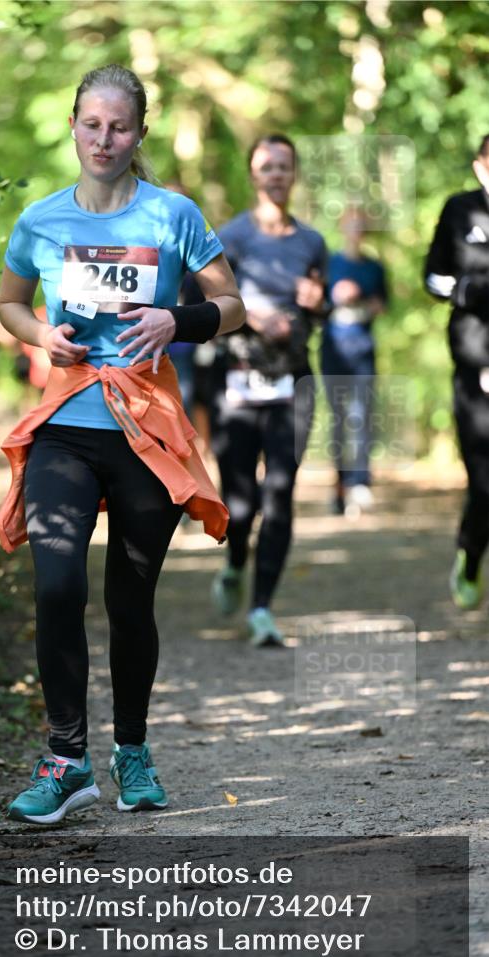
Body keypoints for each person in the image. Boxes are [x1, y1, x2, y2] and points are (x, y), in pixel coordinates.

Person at [0, 64, 245, 824]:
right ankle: (66, 760)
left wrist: (178, 319)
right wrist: (40, 333)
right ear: (72, 125)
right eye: (92, 124)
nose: (104, 139)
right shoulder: (40, 219)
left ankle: (131, 752)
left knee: (128, 600)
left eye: (120, 127)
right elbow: (7, 303)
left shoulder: (172, 214)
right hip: (65, 425)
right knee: (57, 586)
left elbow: (232, 305)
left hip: (144, 429)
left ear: (140, 134)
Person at [210, 135, 327, 646]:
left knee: (280, 492)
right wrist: (255, 317)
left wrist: (316, 302)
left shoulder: (312, 242)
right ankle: (236, 560)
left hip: (294, 378)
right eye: (267, 167)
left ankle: (261, 610)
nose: (276, 174)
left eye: (284, 166)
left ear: (294, 174)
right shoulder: (230, 237)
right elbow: (210, 302)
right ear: (252, 174)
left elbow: (316, 311)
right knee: (241, 503)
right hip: (236, 379)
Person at [424, 134, 489, 611]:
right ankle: (470, 553)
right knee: (484, 480)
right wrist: (466, 290)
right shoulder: (459, 210)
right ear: (479, 166)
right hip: (476, 364)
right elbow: (433, 276)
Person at [320, 206, 388, 517]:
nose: (356, 230)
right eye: (351, 224)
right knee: (338, 420)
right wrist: (335, 296)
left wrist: (362, 298)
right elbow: (315, 305)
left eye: (361, 225)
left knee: (362, 416)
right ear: (343, 227)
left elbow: (383, 306)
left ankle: (361, 482)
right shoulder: (329, 264)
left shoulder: (374, 267)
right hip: (334, 349)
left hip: (363, 348)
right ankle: (340, 485)